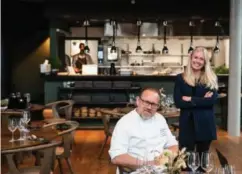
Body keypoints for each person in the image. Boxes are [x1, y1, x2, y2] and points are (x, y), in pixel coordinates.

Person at [109, 88, 178, 173]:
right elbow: (117, 157)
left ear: (158, 106)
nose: (149, 107)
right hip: (136, 171)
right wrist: (148, 164)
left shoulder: (160, 119)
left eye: (153, 104)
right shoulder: (124, 123)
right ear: (138, 101)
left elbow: (173, 145)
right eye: (146, 102)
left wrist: (165, 159)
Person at [173, 46, 218, 157]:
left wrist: (191, 99)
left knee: (202, 162)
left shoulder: (211, 78)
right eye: (195, 57)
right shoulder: (180, 78)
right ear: (191, 58)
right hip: (187, 124)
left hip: (205, 124)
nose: (197, 61)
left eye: (201, 59)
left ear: (205, 62)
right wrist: (202, 100)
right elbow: (178, 102)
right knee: (186, 161)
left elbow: (211, 101)